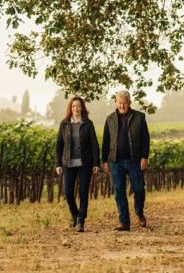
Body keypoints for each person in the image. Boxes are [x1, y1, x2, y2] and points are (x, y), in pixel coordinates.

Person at [102, 89, 150, 231]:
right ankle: (124, 222)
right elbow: (106, 141)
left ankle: (139, 212)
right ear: (116, 103)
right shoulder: (109, 119)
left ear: (129, 103)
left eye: (125, 103)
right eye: (119, 103)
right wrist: (104, 161)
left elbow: (145, 139)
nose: (122, 106)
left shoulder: (139, 117)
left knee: (139, 189)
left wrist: (144, 157)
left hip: (134, 160)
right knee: (119, 191)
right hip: (116, 161)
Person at [55, 96, 100, 232]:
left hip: (85, 163)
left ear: (82, 108)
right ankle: (75, 215)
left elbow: (94, 145)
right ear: (70, 108)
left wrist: (96, 163)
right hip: (68, 163)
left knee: (83, 192)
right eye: (73, 106)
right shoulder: (64, 124)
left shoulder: (88, 124)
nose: (76, 108)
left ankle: (81, 220)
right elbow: (59, 146)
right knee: (68, 192)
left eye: (78, 106)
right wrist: (58, 164)